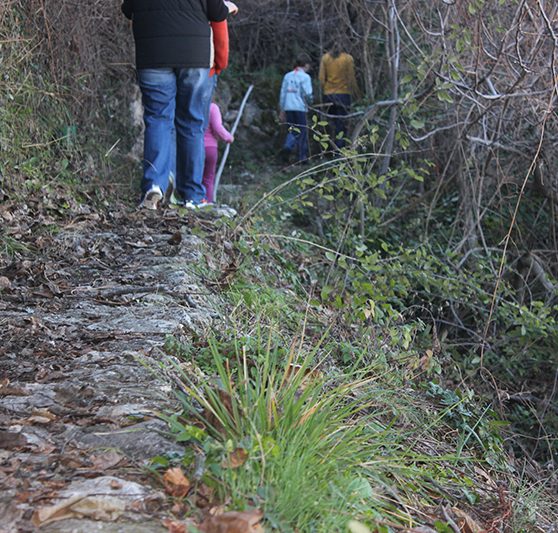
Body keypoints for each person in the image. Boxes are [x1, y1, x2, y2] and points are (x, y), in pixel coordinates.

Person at [121, 0, 238, 210]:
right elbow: (217, 12)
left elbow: (128, 10)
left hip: (153, 55)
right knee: (192, 124)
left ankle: (154, 184)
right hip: (194, 55)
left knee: (157, 119)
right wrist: (227, 7)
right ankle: (191, 195)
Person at [318, 45, 359, 149]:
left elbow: (321, 79)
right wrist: (355, 92)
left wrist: (325, 90)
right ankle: (339, 148)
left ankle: (329, 148)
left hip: (329, 94)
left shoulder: (325, 58)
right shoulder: (348, 58)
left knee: (331, 122)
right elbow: (351, 77)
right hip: (343, 94)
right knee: (341, 122)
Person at [279, 56, 313, 164]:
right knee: (302, 131)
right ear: (306, 65)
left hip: (288, 106)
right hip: (300, 107)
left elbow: (283, 94)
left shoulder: (287, 76)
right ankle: (301, 156)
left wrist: (282, 109)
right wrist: (310, 104)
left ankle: (287, 147)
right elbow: (307, 94)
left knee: (292, 129)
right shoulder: (305, 77)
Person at [203, 99, 234, 204]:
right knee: (208, 178)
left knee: (195, 177)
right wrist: (228, 137)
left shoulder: (192, 104)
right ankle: (207, 202)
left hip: (194, 147)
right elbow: (217, 127)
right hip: (210, 148)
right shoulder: (212, 107)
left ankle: (194, 200)